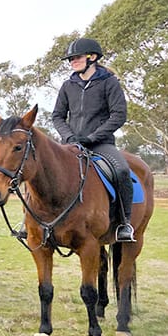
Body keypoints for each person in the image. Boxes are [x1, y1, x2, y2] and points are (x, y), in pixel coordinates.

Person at [51, 37, 135, 242]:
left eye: (77, 57)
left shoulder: (109, 82)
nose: (72, 61)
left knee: (122, 170)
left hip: (101, 144)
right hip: (70, 144)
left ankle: (124, 224)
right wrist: (69, 136)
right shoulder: (67, 86)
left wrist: (92, 137)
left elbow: (118, 115)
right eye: (70, 59)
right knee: (39, 168)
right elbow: (57, 116)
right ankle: (30, 222)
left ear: (93, 57)